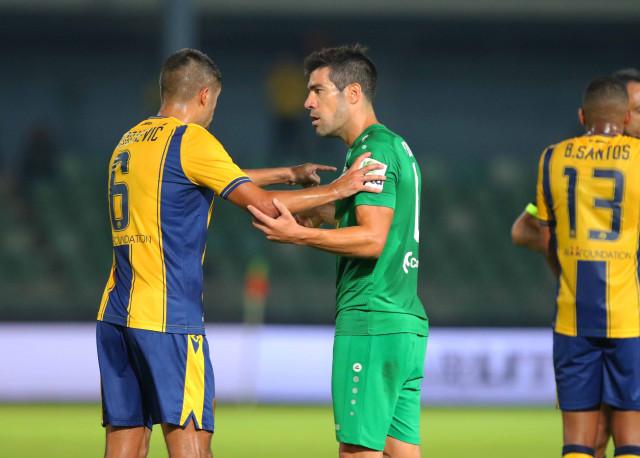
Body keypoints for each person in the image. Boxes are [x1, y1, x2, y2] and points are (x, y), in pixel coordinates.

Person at [96, 48, 386, 458]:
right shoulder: (190, 139)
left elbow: (204, 176)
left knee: (125, 444)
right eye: (215, 102)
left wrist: (288, 173)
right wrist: (338, 190)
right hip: (166, 316)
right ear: (204, 95)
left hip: (114, 316)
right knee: (192, 445)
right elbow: (262, 204)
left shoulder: (131, 141)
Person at [248, 45, 428, 458]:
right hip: (402, 321)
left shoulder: (372, 151)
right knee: (399, 451)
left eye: (318, 90)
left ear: (353, 93)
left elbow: (372, 239)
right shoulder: (393, 146)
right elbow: (376, 219)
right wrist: (322, 211)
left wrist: (299, 236)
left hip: (371, 318)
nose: (307, 103)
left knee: (357, 450)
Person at [511, 68, 640, 458]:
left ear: (583, 115)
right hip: (628, 316)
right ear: (626, 117)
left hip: (573, 315)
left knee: (580, 441)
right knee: (626, 439)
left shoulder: (554, 157)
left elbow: (532, 229)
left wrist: (567, 265)